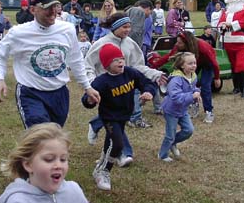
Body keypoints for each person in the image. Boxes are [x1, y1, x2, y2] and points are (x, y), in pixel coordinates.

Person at [0, 0, 100, 128]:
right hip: (31, 93)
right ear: (32, 10)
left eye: (54, 6)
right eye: (46, 8)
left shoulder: (67, 29)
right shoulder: (18, 33)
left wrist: (87, 87)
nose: (53, 11)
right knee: (41, 137)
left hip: (59, 94)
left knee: (54, 134)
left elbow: (76, 59)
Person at [85, 13, 166, 165]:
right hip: (106, 90)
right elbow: (88, 65)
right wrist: (92, 83)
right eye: (124, 27)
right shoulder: (102, 43)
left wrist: (154, 74)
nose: (128, 30)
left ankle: (97, 126)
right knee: (116, 120)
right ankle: (123, 153)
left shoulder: (131, 44)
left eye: (129, 26)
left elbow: (138, 66)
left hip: (125, 87)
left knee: (119, 118)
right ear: (115, 27)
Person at [82, 44, 157, 191]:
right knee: (117, 144)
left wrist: (148, 92)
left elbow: (146, 83)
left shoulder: (130, 73)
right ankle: (103, 171)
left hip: (124, 116)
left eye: (121, 58)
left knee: (110, 144)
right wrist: (89, 100)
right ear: (106, 65)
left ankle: (102, 163)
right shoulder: (101, 82)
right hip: (110, 117)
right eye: (115, 60)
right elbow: (87, 99)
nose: (121, 62)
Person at [0, 122, 89, 203]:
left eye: (63, 159)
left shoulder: (74, 191)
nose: (58, 165)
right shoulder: (18, 202)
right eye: (49, 159)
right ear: (28, 165)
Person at [149, 31, 220, 123]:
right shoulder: (178, 46)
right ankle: (193, 105)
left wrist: (217, 78)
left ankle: (209, 111)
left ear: (187, 43)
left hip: (207, 63)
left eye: (179, 42)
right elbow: (169, 57)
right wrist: (152, 67)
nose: (177, 44)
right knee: (189, 84)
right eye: (177, 42)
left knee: (205, 85)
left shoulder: (202, 46)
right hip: (193, 63)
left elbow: (214, 62)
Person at [158, 52, 199, 162]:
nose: (193, 66)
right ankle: (162, 155)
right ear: (182, 65)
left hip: (183, 109)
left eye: (194, 63)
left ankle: (173, 143)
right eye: (190, 63)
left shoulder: (193, 76)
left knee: (189, 130)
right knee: (170, 134)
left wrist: (196, 92)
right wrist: (191, 96)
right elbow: (176, 97)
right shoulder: (176, 79)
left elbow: (194, 87)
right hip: (171, 110)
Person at [218, 0, 244, 98]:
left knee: (240, 65)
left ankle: (243, 89)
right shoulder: (226, 11)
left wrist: (231, 25)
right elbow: (219, 23)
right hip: (228, 41)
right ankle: (236, 87)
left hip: (241, 41)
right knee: (232, 65)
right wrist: (222, 26)